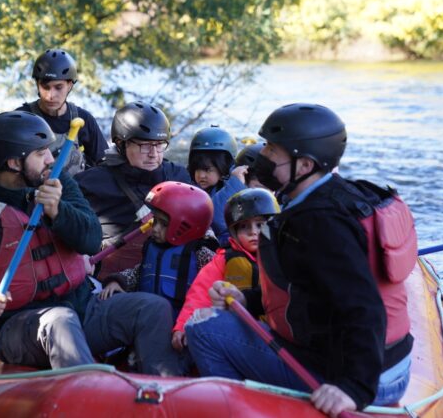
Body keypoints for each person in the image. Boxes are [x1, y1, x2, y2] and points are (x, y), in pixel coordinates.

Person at [185, 103, 414, 417]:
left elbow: (364, 304)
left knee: (203, 329)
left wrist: (354, 389)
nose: (262, 155)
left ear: (304, 165)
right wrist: (249, 299)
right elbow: (308, 292)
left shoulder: (319, 222)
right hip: (391, 363)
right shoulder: (341, 196)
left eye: (273, 150)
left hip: (366, 378)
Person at [0, 111, 184, 376]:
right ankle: (89, 396)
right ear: (13, 162)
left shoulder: (56, 180)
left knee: (152, 308)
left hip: (82, 308)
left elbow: (92, 240)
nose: (50, 159)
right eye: (40, 153)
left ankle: (165, 398)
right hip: (18, 326)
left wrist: (58, 211)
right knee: (60, 322)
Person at [75, 101, 191, 280]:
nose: (154, 154)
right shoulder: (91, 182)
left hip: (167, 275)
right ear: (121, 144)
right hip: (106, 281)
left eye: (159, 144)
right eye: (145, 145)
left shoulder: (178, 177)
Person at [0, 49, 108, 180]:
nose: (51, 95)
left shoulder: (84, 119)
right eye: (45, 87)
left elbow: (105, 164)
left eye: (58, 87)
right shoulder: (22, 117)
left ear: (70, 85)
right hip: (32, 198)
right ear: (37, 84)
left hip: (74, 198)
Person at [172, 188, 279, 351]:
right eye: (244, 227)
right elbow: (200, 293)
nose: (253, 232)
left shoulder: (284, 255)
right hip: (239, 333)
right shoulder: (223, 259)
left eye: (260, 225)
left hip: (278, 334)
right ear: (234, 233)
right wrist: (183, 325)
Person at [99, 181, 217, 315]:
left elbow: (214, 292)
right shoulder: (153, 246)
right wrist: (119, 281)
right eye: (155, 220)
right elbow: (141, 271)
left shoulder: (202, 255)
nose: (154, 229)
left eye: (164, 224)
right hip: (146, 317)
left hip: (181, 326)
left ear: (186, 225)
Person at [187, 126, 248, 245]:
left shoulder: (232, 188)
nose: (201, 175)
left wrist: (234, 184)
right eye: (197, 169)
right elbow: (209, 218)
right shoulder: (191, 190)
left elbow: (219, 219)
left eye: (208, 170)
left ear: (223, 169)